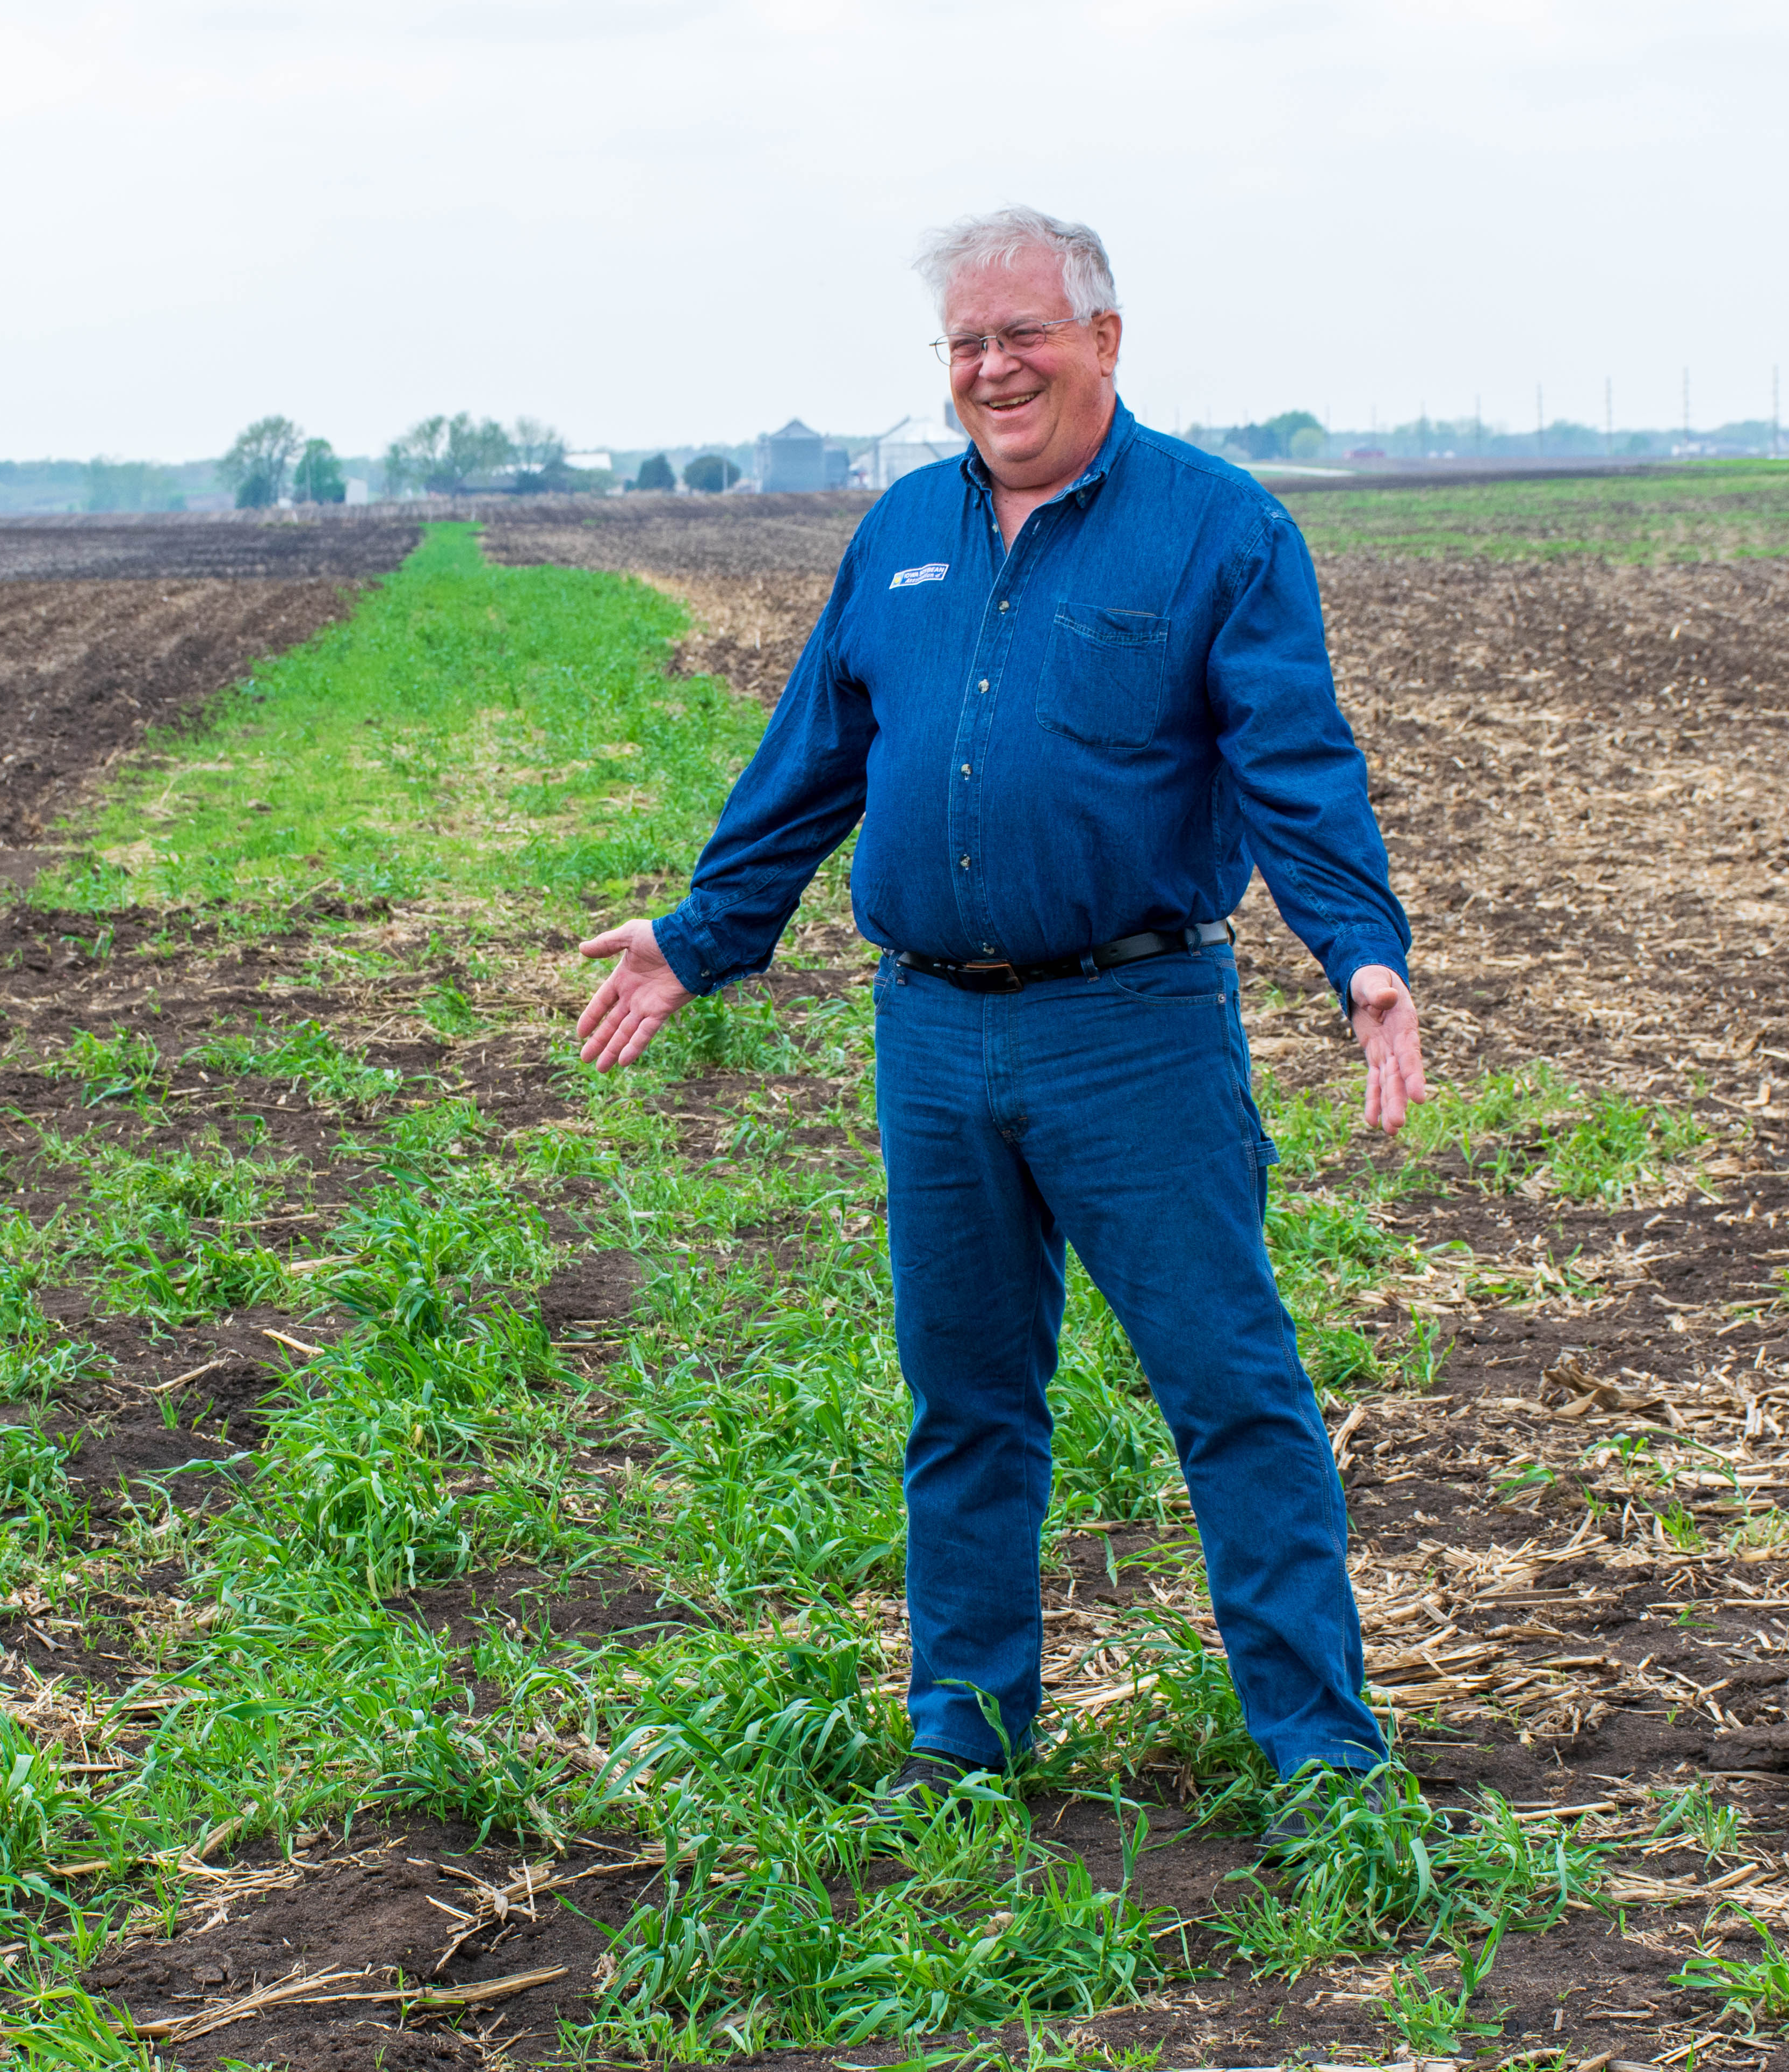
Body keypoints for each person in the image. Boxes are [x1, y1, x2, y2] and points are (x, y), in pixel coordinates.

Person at [574, 206, 1432, 1798]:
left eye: (1021, 333)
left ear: (1104, 338)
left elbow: (1293, 764)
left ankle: (1320, 1755)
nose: (991, 367)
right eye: (965, 344)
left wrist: (1358, 953)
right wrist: (703, 933)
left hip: (1135, 1032)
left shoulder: (1217, 531)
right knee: (964, 1402)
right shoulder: (900, 530)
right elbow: (814, 758)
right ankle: (961, 1740)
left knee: (1230, 1392)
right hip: (933, 1033)